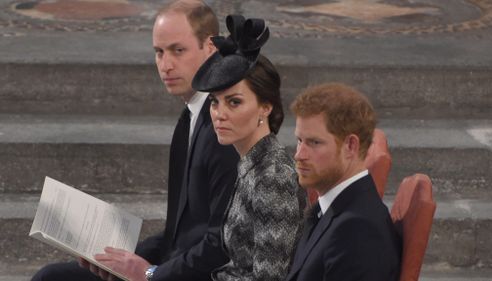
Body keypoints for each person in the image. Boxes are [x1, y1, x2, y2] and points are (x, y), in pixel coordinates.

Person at [31, 1, 239, 281]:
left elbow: (221, 244)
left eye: (178, 50)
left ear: (211, 49)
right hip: (173, 265)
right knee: (53, 276)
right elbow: (179, 234)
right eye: (159, 52)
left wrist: (150, 273)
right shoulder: (190, 115)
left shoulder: (222, 127)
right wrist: (118, 258)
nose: (166, 65)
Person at [191, 15, 307, 281]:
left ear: (265, 107)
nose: (219, 114)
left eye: (234, 103)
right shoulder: (253, 161)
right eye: (214, 102)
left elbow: (269, 279)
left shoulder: (273, 176)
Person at [285, 82, 401, 281]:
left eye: (314, 142)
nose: (299, 154)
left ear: (350, 146)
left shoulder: (358, 230)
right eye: (299, 141)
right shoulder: (331, 209)